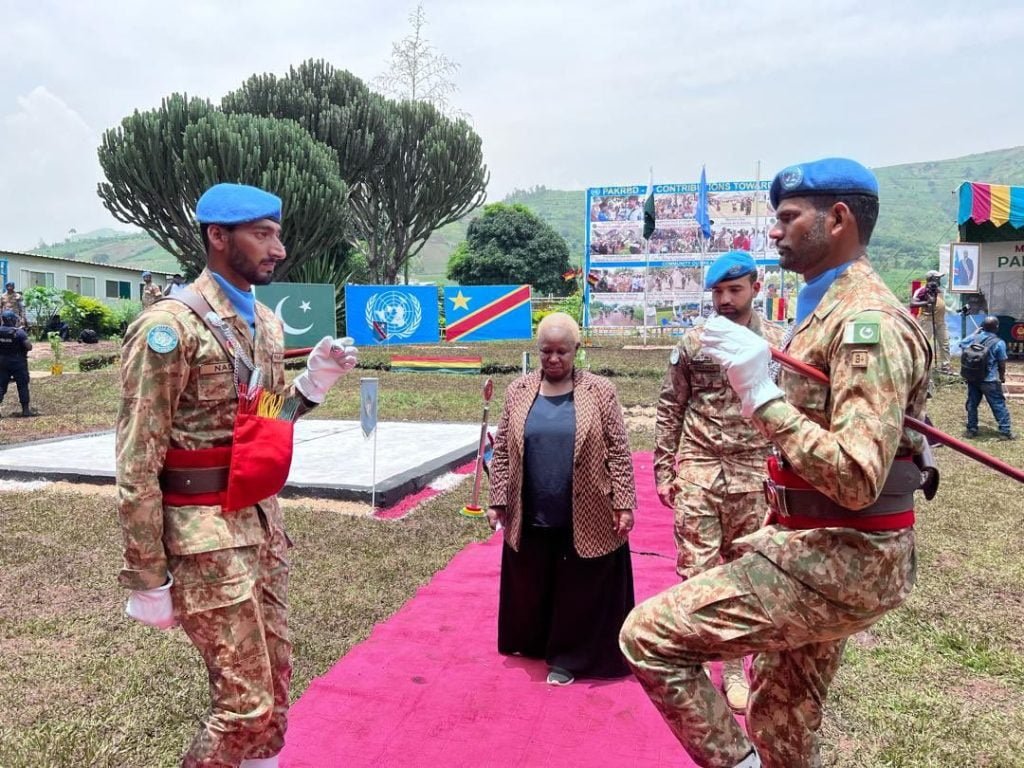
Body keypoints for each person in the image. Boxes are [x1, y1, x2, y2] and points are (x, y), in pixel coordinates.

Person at [621, 158, 932, 768]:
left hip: (841, 558)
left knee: (648, 636)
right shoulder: (825, 310)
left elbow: (857, 475)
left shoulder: (867, 322)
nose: (773, 231)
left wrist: (763, 395)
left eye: (788, 218)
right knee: (779, 716)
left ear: (838, 219)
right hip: (807, 545)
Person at [116, 183, 358, 768]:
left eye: (277, 233)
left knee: (275, 688)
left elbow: (265, 421)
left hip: (259, 527)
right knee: (244, 707)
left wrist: (312, 385)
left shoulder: (268, 325)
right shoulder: (169, 329)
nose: (278, 248)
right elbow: (136, 460)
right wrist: (147, 574)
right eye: (262, 234)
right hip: (202, 538)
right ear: (217, 237)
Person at [653, 250, 786, 713]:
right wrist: (664, 468)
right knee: (696, 573)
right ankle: (697, 666)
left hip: (754, 472)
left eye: (735, 290)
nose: (725, 300)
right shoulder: (694, 342)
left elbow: (790, 411)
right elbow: (672, 405)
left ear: (756, 287)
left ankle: (733, 667)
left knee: (745, 573)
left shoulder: (778, 343)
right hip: (699, 469)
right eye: (718, 292)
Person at [487, 312, 636, 687]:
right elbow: (503, 449)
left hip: (588, 507)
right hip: (533, 505)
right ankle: (536, 642)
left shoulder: (600, 391)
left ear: (577, 351)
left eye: (562, 352)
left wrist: (624, 502)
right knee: (535, 580)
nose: (554, 359)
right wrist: (498, 499)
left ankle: (570, 658)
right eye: (546, 352)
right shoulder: (518, 391)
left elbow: (619, 450)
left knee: (579, 586)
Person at [959, 315, 1015, 440]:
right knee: (998, 404)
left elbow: (962, 344)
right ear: (996, 328)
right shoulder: (999, 343)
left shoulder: (975, 338)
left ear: (982, 327)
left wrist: (975, 333)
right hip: (989, 380)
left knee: (972, 404)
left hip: (973, 377)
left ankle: (971, 429)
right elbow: (1001, 363)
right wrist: (1002, 377)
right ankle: (1005, 431)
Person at [910, 270, 951, 373]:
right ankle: (921, 366)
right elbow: (912, 303)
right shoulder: (922, 290)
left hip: (941, 321)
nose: (939, 279)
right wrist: (926, 302)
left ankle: (945, 367)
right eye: (938, 277)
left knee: (945, 343)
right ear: (932, 278)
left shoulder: (938, 290)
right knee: (923, 343)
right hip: (927, 320)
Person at [0, 309, 37, 417]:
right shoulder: (19, 332)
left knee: (1, 386)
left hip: (2, 362)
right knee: (22, 385)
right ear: (11, 320)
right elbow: (29, 347)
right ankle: (25, 410)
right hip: (18, 363)